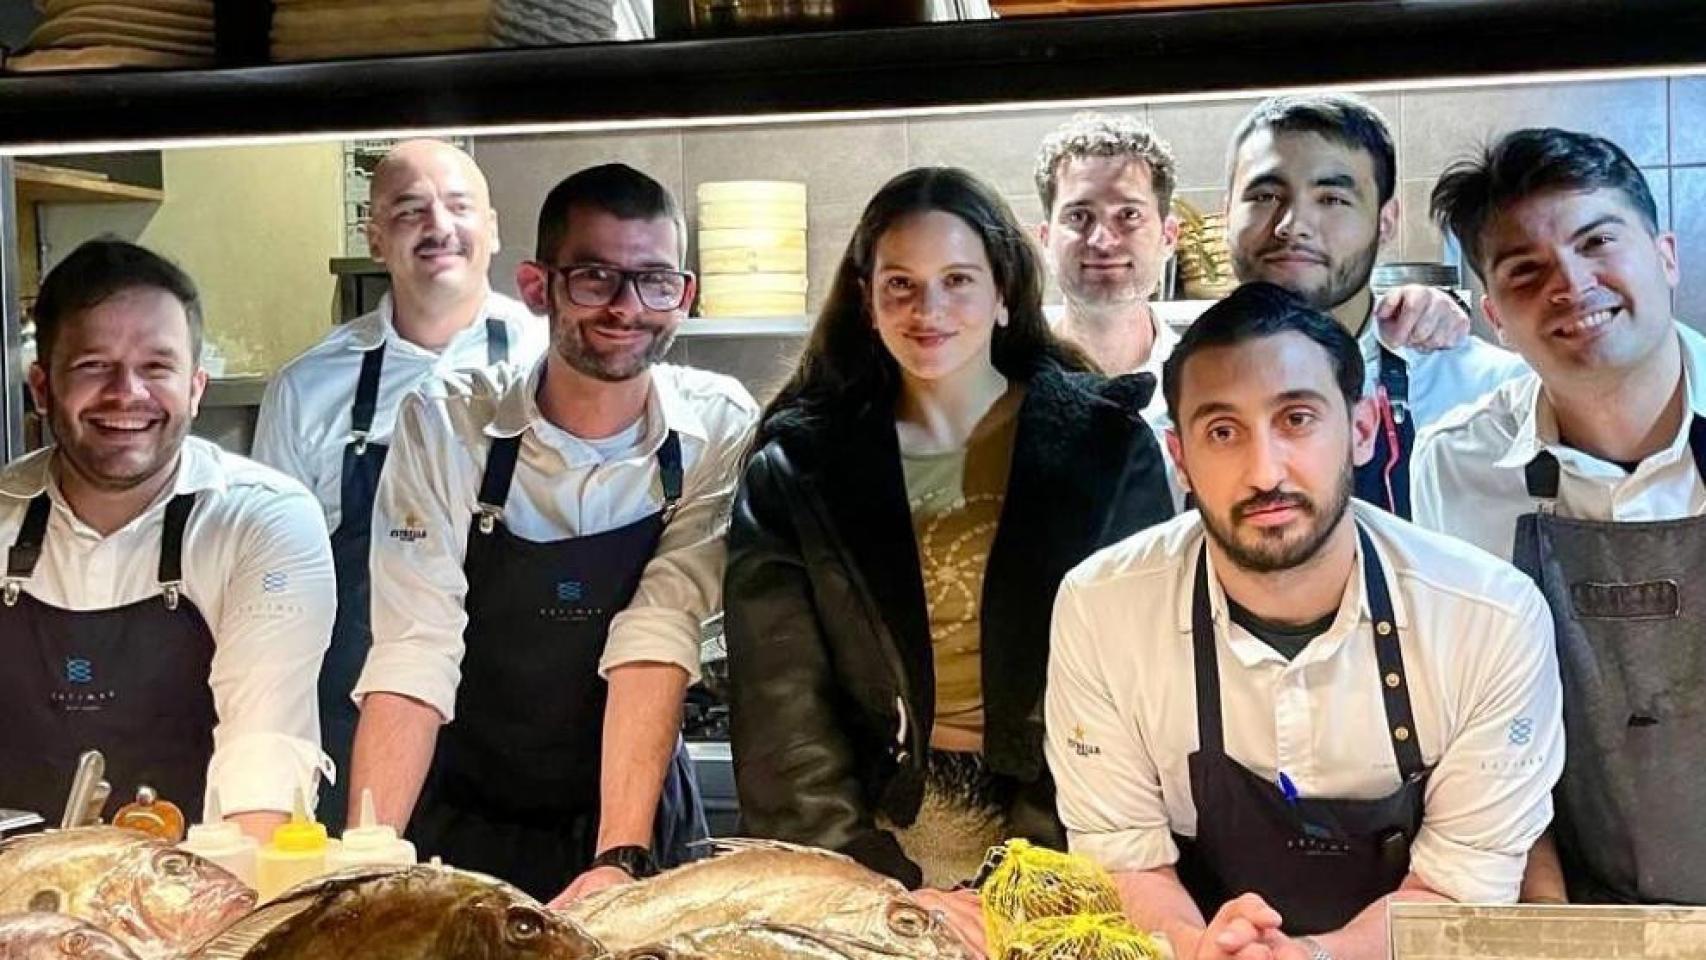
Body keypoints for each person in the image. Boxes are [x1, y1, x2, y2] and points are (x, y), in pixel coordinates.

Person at [725, 166, 1175, 955]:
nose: (928, 310)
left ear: (1005, 293)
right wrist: (876, 886)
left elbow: (1135, 684)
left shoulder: (1106, 449)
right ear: (866, 300)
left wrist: (1024, 881)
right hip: (871, 834)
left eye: (957, 281)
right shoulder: (798, 466)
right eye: (900, 284)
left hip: (1077, 822)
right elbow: (782, 711)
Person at [1046, 282, 1563, 960]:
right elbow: (1124, 860)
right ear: (1180, 459)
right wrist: (1202, 948)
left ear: (1362, 428)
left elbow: (1459, 885)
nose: (1264, 472)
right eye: (1223, 432)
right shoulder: (1102, 610)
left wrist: (1316, 955)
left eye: (1296, 420)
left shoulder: (1488, 618)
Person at [348, 163, 756, 905]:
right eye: (596, 277)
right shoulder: (446, 422)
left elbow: (658, 630)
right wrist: (364, 862)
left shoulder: (720, 427)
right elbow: (415, 648)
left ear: (685, 295)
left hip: (634, 823)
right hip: (467, 815)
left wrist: (619, 859)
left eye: (655, 280)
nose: (627, 307)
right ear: (538, 286)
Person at [1417, 129, 1706, 904]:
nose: (1571, 284)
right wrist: (1552, 932)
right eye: (1525, 271)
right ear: (1494, 317)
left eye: (1596, 241)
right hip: (1578, 904)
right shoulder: (1457, 464)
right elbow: (1484, 727)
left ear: (1666, 254)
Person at [253, 139, 544, 829]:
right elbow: (270, 591)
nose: (439, 226)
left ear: (494, 228)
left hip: (521, 747)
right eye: (410, 210)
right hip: (357, 743)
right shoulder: (309, 387)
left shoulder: (551, 368)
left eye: (459, 206)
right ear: (375, 237)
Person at [0, 240, 335, 840]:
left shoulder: (263, 520)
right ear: (42, 387)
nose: (127, 392)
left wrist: (235, 914)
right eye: (93, 365)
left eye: (157, 366)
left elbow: (263, 746)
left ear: (196, 387)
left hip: (193, 893)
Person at [1223, 94, 1530, 518]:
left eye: (1331, 199)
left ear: (1385, 223)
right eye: (1265, 196)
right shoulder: (1166, 403)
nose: (1292, 226)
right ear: (1226, 215)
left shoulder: (1484, 390)